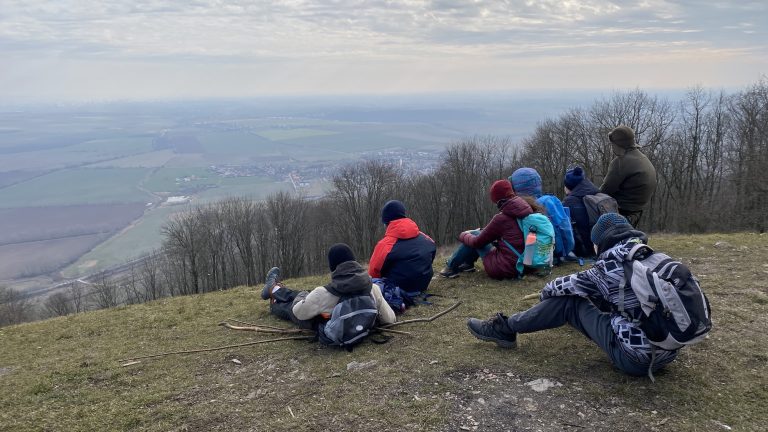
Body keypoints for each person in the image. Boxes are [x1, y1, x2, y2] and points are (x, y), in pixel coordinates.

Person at [466, 213, 680, 377]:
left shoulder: (609, 268)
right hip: (668, 351)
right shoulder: (656, 259)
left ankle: (505, 329)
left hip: (635, 360)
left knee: (568, 303)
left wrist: (546, 300)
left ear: (601, 242)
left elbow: (557, 287)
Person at [261, 243, 396, 328]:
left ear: (333, 267)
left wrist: (303, 295)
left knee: (294, 304)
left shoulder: (323, 293)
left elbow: (298, 313)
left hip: (320, 322)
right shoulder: (373, 288)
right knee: (308, 296)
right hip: (360, 326)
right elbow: (390, 319)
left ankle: (274, 296)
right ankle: (275, 289)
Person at [439, 179, 533, 279]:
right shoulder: (525, 210)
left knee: (475, 235)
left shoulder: (501, 218)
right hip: (524, 264)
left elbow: (477, 242)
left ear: (499, 200)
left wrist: (463, 234)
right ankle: (467, 265)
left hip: (505, 268)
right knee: (478, 233)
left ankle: (450, 267)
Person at [368, 200, 436, 294]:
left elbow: (373, 273)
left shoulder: (384, 245)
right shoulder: (426, 238)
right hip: (423, 285)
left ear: (386, 222)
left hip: (396, 292)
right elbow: (431, 255)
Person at [509, 167, 575, 262]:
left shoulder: (514, 208)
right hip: (555, 255)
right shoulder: (549, 202)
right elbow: (564, 229)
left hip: (527, 258)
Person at [599, 125, 657, 226]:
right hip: (636, 213)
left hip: (620, 214)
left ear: (617, 145)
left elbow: (604, 191)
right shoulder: (643, 159)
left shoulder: (621, 162)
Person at [562, 166, 600, 258]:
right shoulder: (598, 195)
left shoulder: (568, 202)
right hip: (601, 247)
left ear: (568, 186)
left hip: (582, 252)